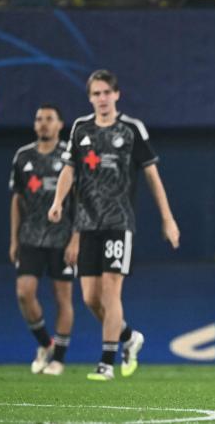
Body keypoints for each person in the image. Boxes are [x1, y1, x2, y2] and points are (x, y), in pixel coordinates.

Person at [48, 69, 180, 381]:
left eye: (107, 92)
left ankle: (106, 361)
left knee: (110, 291)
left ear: (117, 94)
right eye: (96, 93)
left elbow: (151, 174)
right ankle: (129, 338)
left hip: (119, 223)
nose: (102, 99)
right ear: (90, 97)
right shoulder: (80, 128)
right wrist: (57, 201)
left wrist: (167, 218)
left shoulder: (131, 129)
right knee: (90, 298)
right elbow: (69, 169)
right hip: (87, 224)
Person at [9, 104, 78, 376]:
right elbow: (17, 199)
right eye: (39, 119)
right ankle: (45, 344)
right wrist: (14, 239)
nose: (43, 124)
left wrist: (76, 239)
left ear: (60, 124)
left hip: (62, 237)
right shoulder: (23, 156)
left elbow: (81, 201)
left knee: (63, 298)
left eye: (49, 119)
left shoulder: (70, 156)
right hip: (31, 237)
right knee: (24, 292)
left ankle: (59, 359)